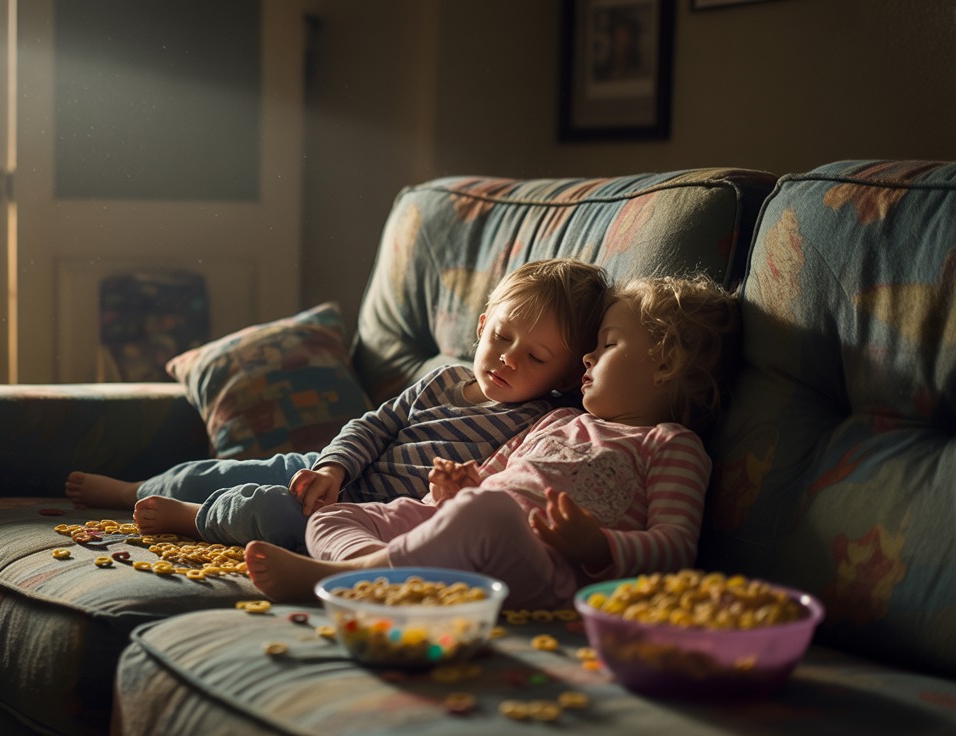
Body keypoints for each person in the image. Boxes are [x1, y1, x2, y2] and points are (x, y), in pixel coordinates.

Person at [244, 273, 742, 608]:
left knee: (490, 513)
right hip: (471, 529)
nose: (588, 360)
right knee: (338, 513)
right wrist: (453, 489)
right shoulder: (556, 419)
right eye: (590, 349)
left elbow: (676, 547)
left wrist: (599, 545)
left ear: (664, 364)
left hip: (548, 570)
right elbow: (490, 476)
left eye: (608, 346)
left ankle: (338, 581)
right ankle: (376, 578)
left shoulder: (671, 446)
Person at [64, 259, 611, 552]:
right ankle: (136, 488)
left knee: (267, 512)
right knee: (231, 471)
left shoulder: (543, 424)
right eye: (503, 337)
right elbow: (375, 424)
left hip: (367, 516)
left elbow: (506, 491)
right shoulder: (443, 380)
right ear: (482, 325)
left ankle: (195, 519)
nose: (509, 360)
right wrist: (332, 464)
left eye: (536, 356)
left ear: (569, 374)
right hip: (331, 472)